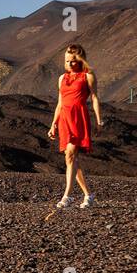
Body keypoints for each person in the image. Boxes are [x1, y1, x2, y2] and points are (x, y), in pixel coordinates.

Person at [47, 44, 102, 209]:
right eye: (67, 61)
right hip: (64, 119)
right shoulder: (61, 79)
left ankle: (67, 196)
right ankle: (88, 194)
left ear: (80, 60)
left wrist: (99, 120)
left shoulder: (88, 76)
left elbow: (94, 98)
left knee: (71, 154)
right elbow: (60, 103)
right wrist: (53, 124)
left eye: (73, 61)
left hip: (78, 118)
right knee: (71, 159)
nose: (69, 64)